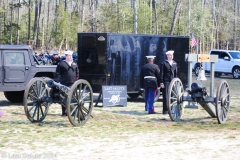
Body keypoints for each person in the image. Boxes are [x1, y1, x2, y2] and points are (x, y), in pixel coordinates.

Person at [56, 50, 79, 116]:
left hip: (73, 83)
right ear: (66, 56)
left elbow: (77, 72)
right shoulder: (61, 64)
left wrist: (76, 79)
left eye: (71, 56)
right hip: (64, 83)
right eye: (69, 56)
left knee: (73, 98)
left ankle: (73, 112)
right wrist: (60, 80)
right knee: (64, 98)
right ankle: (64, 112)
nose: (70, 57)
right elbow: (58, 73)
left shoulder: (74, 64)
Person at [160, 50, 177, 114]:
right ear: (167, 56)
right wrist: (161, 82)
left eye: (172, 55)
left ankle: (172, 109)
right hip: (166, 81)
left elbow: (175, 74)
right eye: (170, 55)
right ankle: (165, 110)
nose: (171, 56)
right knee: (166, 96)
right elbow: (161, 73)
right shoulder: (164, 63)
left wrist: (175, 81)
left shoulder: (174, 63)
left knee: (172, 96)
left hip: (172, 81)